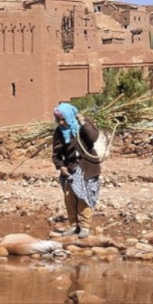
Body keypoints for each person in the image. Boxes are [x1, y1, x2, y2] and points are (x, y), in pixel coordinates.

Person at [52, 102, 102, 238]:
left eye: (64, 119)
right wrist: (61, 166)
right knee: (70, 198)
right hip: (70, 168)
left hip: (88, 167)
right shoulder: (59, 132)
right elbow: (56, 154)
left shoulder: (83, 125)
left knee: (84, 197)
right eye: (59, 120)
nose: (61, 122)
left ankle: (85, 226)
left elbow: (94, 137)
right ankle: (74, 226)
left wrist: (83, 122)